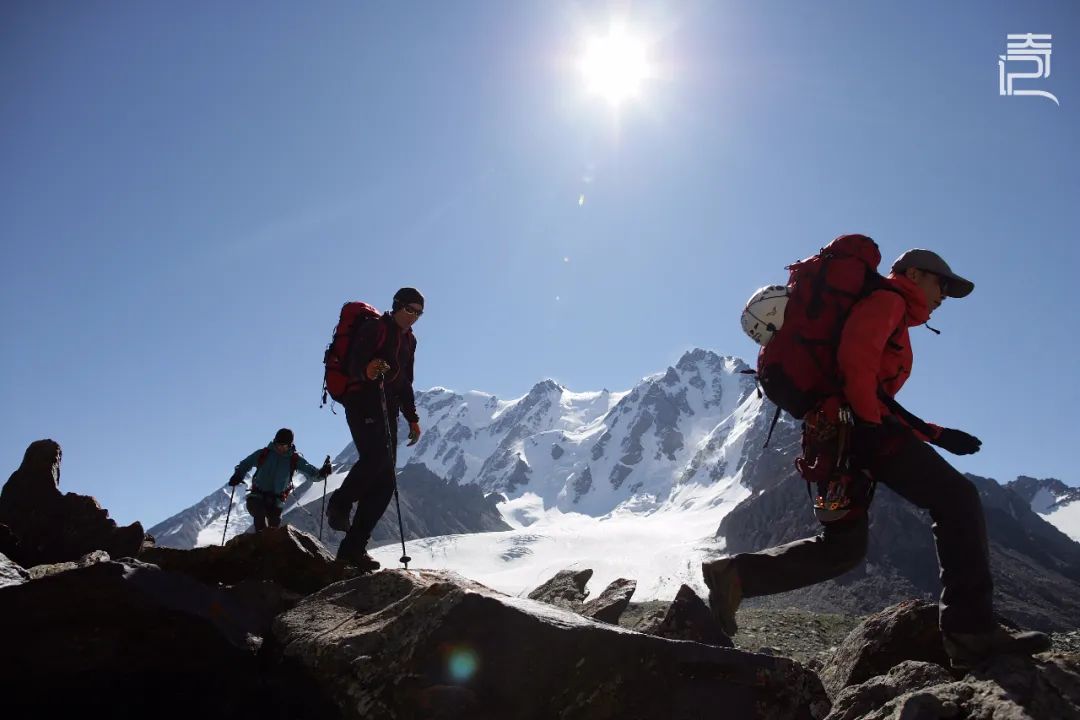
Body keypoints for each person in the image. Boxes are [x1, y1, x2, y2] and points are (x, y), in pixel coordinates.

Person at [703, 248, 1051, 668]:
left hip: (833, 439)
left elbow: (876, 393)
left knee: (842, 549)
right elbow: (857, 361)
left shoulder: (884, 306)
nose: (944, 296)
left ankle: (736, 576)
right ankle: (970, 630)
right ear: (916, 274)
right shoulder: (888, 300)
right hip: (860, 432)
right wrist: (869, 428)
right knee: (956, 498)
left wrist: (936, 435)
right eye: (942, 284)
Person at [326, 287, 423, 571]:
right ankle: (340, 503)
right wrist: (367, 370)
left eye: (419, 313)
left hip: (388, 407)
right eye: (410, 310)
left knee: (385, 482)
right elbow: (355, 362)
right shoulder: (375, 328)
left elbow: (405, 381)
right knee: (377, 459)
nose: (414, 317)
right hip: (362, 401)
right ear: (397, 306)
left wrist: (412, 417)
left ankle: (353, 548)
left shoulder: (410, 341)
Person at [229, 428, 331, 532]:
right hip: (256, 497)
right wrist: (238, 475)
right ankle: (261, 543)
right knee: (260, 518)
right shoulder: (264, 453)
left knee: (274, 529)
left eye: (284, 445)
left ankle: (265, 546)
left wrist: (323, 473)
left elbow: (312, 474)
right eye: (278, 444)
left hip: (276, 502)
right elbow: (246, 464)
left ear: (290, 445)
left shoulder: (294, 459)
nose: (280, 448)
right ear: (275, 442)